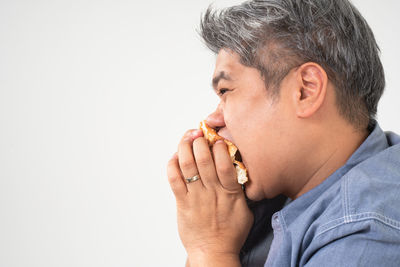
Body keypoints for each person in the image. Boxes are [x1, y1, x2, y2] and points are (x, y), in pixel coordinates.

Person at [166, 0, 400, 266]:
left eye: (226, 91)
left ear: (306, 90)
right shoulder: (278, 196)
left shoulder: (367, 232)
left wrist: (210, 249)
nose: (213, 119)